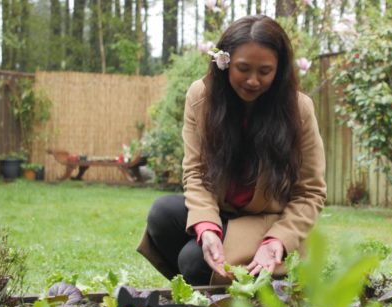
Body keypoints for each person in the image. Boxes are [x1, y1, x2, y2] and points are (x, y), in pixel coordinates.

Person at [137, 15, 327, 286]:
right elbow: (196, 173)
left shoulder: (298, 109)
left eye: (264, 72)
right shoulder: (201, 98)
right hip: (224, 214)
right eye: (243, 68)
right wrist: (206, 228)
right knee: (162, 214)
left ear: (279, 69)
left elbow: (311, 193)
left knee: (191, 260)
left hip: (269, 223)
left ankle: (243, 289)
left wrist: (277, 240)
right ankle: (210, 287)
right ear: (224, 63)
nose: (252, 81)